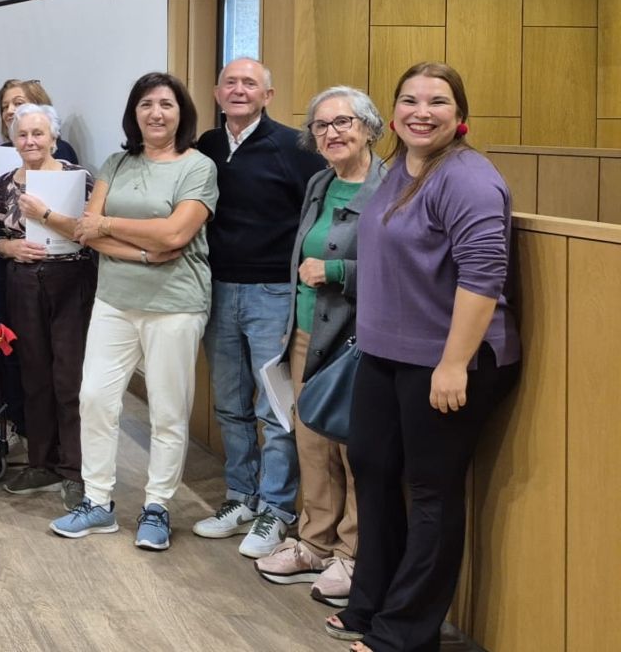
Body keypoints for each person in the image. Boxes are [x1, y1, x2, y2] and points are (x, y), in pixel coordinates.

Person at [327, 63, 519, 652]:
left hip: (448, 361)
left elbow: (484, 277)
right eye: (409, 99)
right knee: (374, 471)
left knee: (432, 492)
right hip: (385, 355)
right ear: (392, 114)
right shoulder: (399, 171)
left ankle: (405, 635)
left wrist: (454, 363)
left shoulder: (468, 179)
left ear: (460, 117)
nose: (421, 110)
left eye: (438, 101)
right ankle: (371, 605)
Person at [50, 72, 217, 553]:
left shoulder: (198, 167)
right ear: (135, 113)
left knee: (168, 410)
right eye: (146, 104)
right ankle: (97, 503)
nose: (156, 113)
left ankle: (158, 507)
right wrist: (140, 249)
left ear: (180, 111)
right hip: (115, 299)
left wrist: (110, 224)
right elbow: (86, 232)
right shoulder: (116, 161)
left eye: (166, 104)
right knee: (95, 399)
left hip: (176, 304)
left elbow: (175, 236)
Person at [253, 87, 386, 607]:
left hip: (360, 341)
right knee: (312, 443)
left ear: (370, 127)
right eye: (322, 125)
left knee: (355, 450)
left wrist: (336, 272)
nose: (332, 132)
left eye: (344, 122)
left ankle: (355, 557)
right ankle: (314, 543)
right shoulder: (319, 183)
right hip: (307, 332)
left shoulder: (391, 188)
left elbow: (406, 268)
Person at [192, 59, 326, 556]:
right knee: (229, 403)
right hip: (218, 290)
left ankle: (276, 509)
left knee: (275, 408)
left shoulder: (295, 148)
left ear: (268, 95)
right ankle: (240, 498)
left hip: (274, 294)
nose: (240, 89)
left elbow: (318, 212)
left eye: (251, 83)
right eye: (231, 82)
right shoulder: (206, 146)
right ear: (216, 91)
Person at [0, 104, 95, 509]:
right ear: (13, 140)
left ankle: (74, 470)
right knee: (33, 374)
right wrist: (10, 246)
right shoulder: (4, 183)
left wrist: (45, 216)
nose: (30, 141)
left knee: (68, 377)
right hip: (23, 281)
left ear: (53, 137)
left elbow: (91, 232)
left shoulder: (78, 178)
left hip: (70, 280)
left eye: (38, 133)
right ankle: (41, 462)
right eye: (22, 134)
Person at [0, 79, 80, 164]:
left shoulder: (61, 149)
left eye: (18, 103)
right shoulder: (0, 152)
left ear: (38, 106)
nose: (9, 111)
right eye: (5, 107)